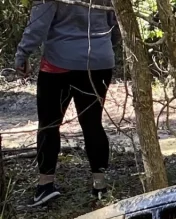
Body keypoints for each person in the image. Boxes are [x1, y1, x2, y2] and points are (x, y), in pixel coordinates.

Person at [15, 0, 121, 207]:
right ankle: (99, 185)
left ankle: (45, 186)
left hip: (59, 63)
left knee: (49, 124)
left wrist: (22, 54)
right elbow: (115, 21)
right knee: (92, 123)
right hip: (99, 61)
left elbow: (38, 25)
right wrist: (104, 48)